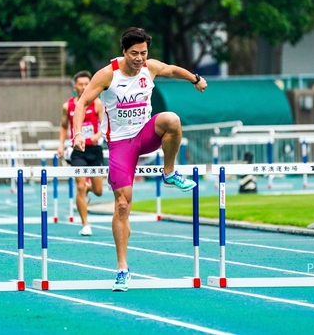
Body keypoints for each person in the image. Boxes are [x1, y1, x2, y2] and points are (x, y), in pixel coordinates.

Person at [72, 27, 207, 292]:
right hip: (120, 144)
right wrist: (77, 132)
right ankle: (122, 268)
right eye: (134, 53)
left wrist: (195, 79)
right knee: (123, 205)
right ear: (124, 51)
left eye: (143, 53)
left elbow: (171, 69)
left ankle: (169, 172)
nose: (139, 58)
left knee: (172, 119)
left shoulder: (150, 67)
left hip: (145, 134)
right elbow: (82, 103)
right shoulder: (108, 74)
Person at [57, 70, 105, 236]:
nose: (84, 87)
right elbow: (64, 126)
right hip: (78, 151)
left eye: (87, 84)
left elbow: (105, 125)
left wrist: (97, 136)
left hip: (94, 150)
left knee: (99, 191)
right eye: (81, 84)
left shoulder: (97, 103)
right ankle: (85, 224)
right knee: (80, 186)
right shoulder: (68, 106)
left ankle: (89, 189)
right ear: (74, 87)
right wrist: (61, 145)